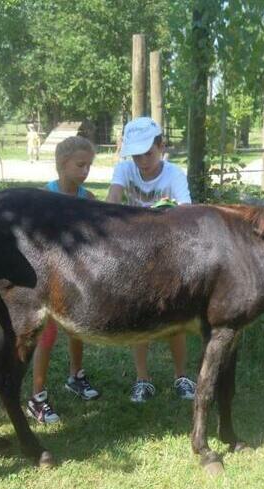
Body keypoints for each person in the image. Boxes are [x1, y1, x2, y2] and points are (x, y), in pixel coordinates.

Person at [106, 116, 196, 403]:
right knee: (140, 318)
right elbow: (110, 205)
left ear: (161, 147)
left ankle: (182, 376)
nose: (142, 161)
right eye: (136, 155)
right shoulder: (124, 169)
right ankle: (142, 379)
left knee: (175, 318)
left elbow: (187, 212)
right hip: (135, 254)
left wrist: (164, 212)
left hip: (169, 255)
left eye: (148, 153)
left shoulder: (174, 175)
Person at [27, 136, 101, 424]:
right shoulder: (42, 197)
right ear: (61, 164)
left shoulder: (88, 198)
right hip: (47, 279)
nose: (85, 171)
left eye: (89, 165)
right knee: (46, 335)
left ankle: (76, 376)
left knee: (76, 329)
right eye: (80, 165)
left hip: (76, 278)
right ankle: (37, 396)